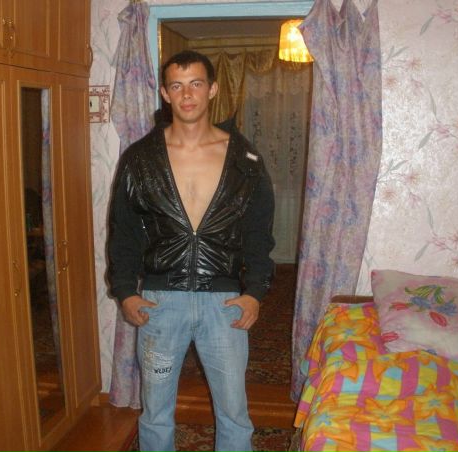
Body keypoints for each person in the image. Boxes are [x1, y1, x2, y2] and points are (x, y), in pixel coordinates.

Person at [107, 50, 275, 452]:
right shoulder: (140, 158)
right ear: (165, 93)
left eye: (196, 84)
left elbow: (258, 232)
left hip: (224, 303)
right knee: (155, 410)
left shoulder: (245, 159)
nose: (187, 95)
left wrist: (255, 291)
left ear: (212, 89)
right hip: (161, 302)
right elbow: (123, 230)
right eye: (177, 86)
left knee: (234, 410)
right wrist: (126, 290)